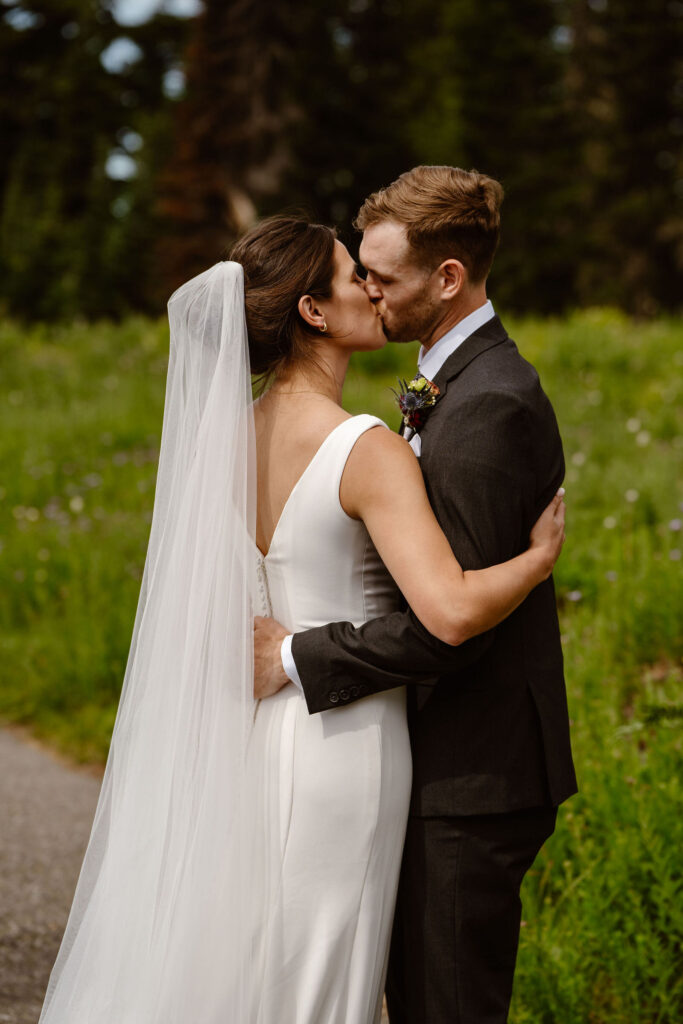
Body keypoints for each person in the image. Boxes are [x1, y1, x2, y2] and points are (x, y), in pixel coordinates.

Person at [38, 210, 564, 1024]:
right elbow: (452, 612)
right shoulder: (363, 447)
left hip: (256, 740)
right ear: (314, 312)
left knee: (257, 960)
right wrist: (533, 563)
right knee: (318, 974)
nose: (371, 287)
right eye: (355, 274)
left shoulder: (226, 441)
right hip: (342, 747)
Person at [253, 167, 578, 1024]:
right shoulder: (445, 388)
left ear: (446, 278)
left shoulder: (488, 406)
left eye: (382, 277)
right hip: (408, 758)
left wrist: (294, 652)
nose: (369, 289)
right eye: (357, 272)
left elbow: (451, 626)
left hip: (470, 775)